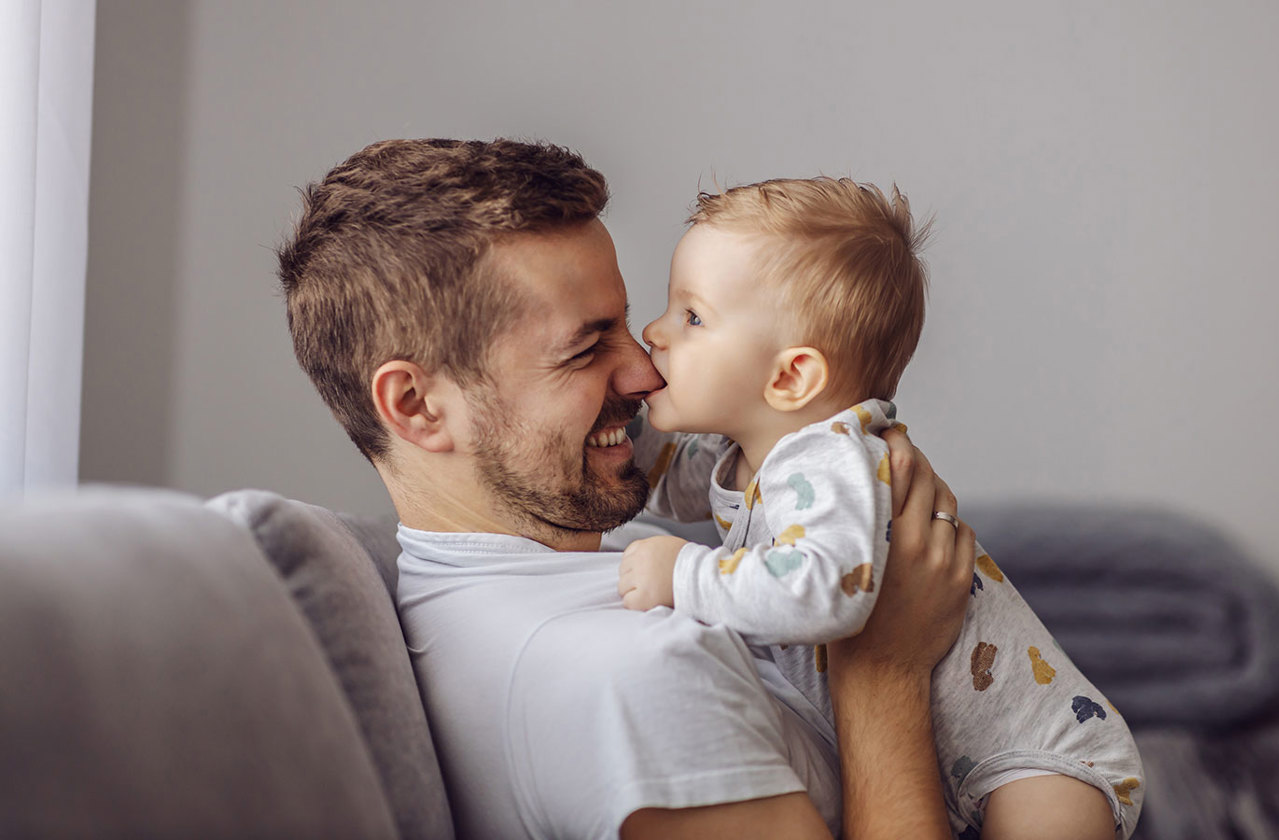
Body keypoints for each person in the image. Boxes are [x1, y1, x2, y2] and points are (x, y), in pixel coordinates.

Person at [278, 137, 979, 839]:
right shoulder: (634, 683)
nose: (647, 372)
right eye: (585, 349)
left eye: (627, 324)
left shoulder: (565, 563)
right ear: (417, 407)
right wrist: (885, 671)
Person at [616, 177, 1143, 838]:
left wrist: (682, 576)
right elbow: (657, 475)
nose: (653, 332)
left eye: (690, 316)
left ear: (791, 377)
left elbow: (822, 593)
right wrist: (611, 408)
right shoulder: (746, 454)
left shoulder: (831, 461)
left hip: (1040, 754)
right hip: (943, 760)